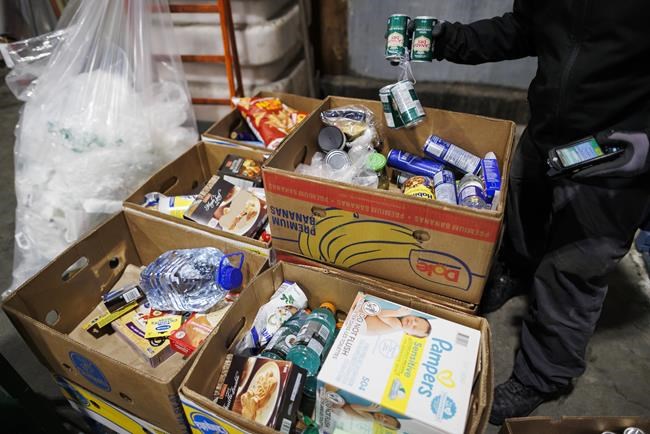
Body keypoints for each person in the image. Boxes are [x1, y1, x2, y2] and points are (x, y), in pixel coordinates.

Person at [429, 1, 650, 425]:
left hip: (616, 157)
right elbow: (524, 27)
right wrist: (451, 41)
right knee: (522, 211)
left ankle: (543, 376)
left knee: (571, 271)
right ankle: (516, 272)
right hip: (549, 132)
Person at [362, 305, 432, 337]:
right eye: (416, 320)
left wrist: (398, 313)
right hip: (362, 320)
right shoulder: (398, 324)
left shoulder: (398, 326)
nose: (413, 322)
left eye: (414, 327)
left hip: (361, 321)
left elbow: (381, 314)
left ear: (408, 333)